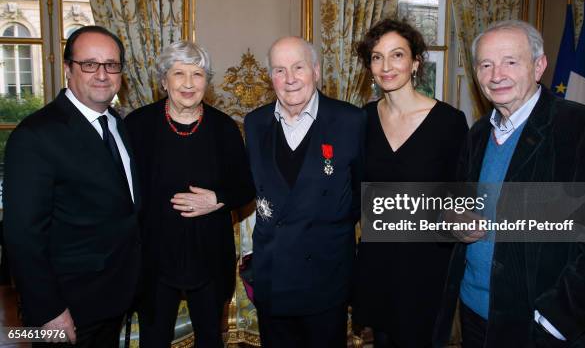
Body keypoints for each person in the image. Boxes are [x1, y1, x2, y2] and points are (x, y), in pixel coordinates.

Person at [433, 20, 585, 347]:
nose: (496, 74)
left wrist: (555, 321)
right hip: (474, 314)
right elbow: (456, 203)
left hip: (539, 326)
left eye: (510, 62)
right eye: (485, 64)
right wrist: (452, 219)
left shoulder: (582, 130)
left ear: (539, 66)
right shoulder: (477, 133)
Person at [3, 25, 140, 347]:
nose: (102, 74)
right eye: (89, 64)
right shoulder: (35, 135)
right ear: (68, 69)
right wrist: (49, 310)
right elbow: (22, 236)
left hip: (115, 296)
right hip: (67, 308)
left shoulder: (117, 123)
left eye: (111, 65)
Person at [125, 41, 254, 348]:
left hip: (209, 257)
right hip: (154, 259)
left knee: (210, 340)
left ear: (206, 83)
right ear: (162, 80)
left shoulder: (224, 128)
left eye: (197, 74)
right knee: (154, 340)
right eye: (178, 73)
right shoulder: (137, 126)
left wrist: (217, 199)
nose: (187, 83)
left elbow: (245, 186)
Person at [351, 18, 468, 347]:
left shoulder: (449, 122)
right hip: (378, 262)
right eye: (377, 57)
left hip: (427, 266)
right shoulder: (363, 120)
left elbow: (461, 198)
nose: (386, 66)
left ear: (416, 62)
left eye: (397, 55)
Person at [244, 36, 365, 347]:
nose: (290, 79)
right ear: (269, 77)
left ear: (316, 70)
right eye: (279, 70)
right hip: (273, 274)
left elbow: (360, 196)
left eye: (298, 67)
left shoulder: (350, 120)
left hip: (325, 274)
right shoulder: (255, 123)